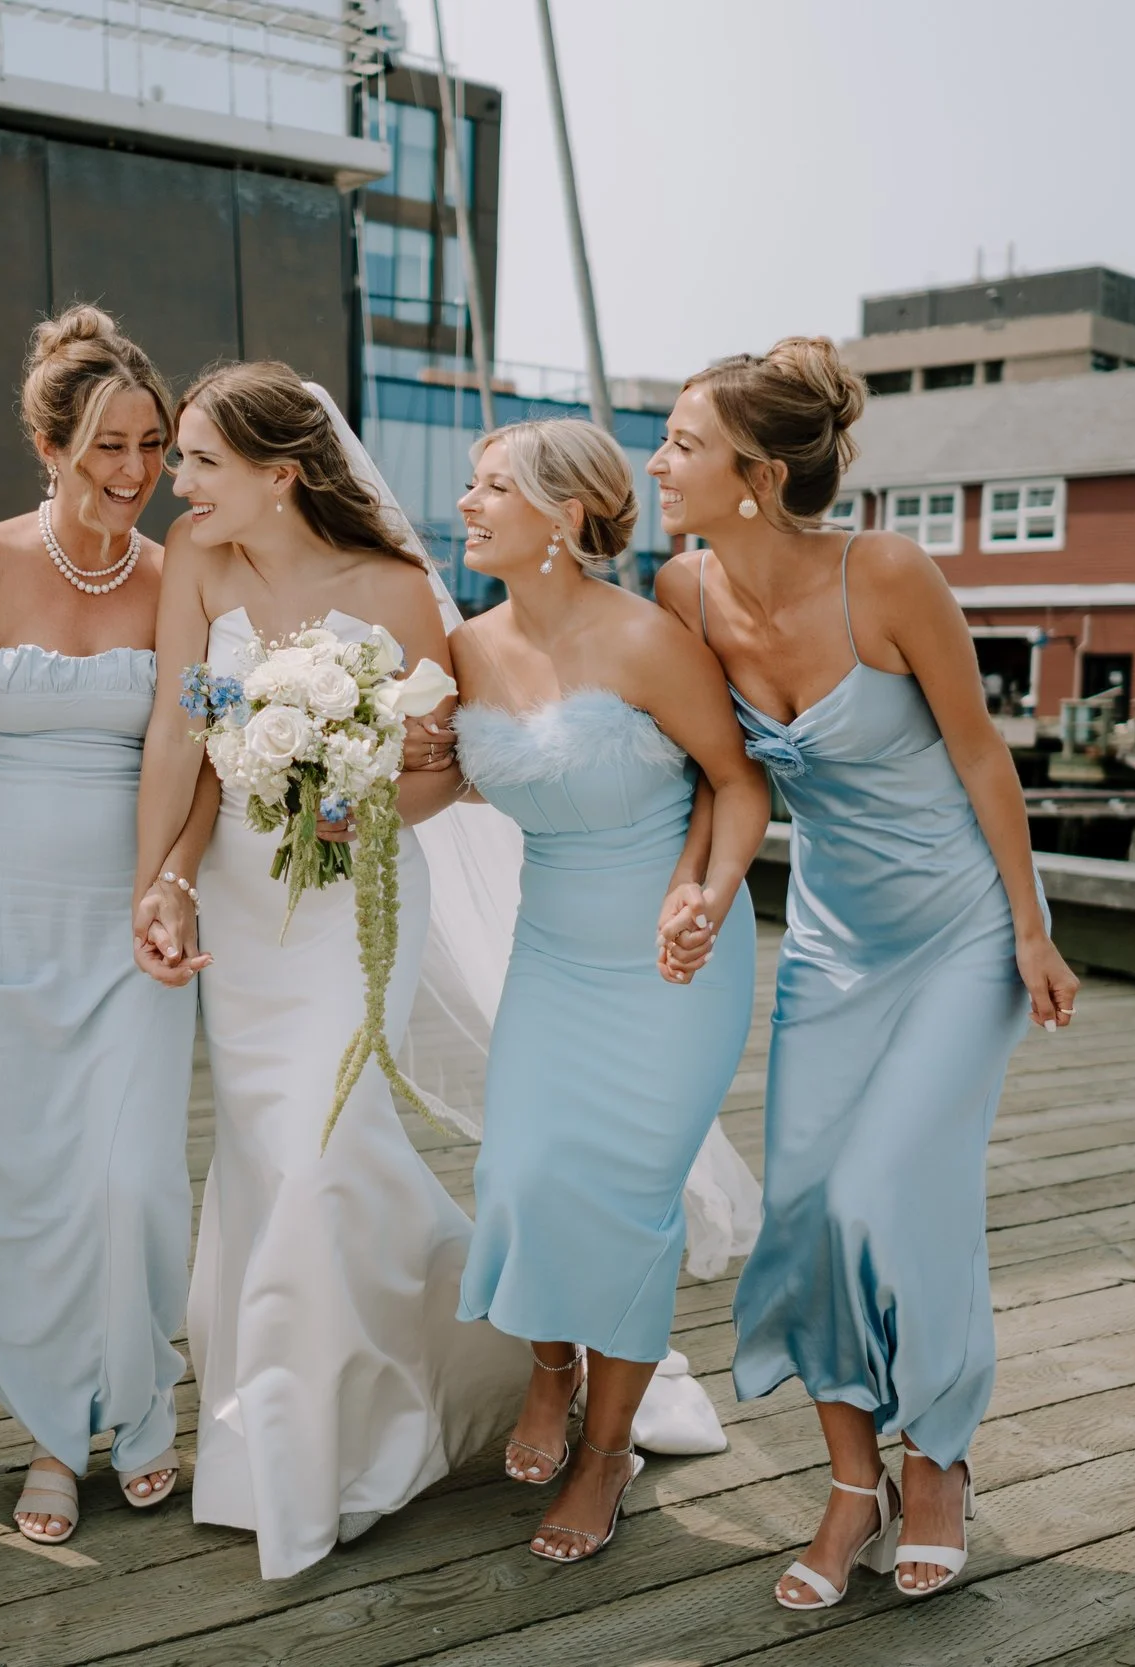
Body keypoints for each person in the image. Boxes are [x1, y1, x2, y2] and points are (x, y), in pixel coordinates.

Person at [650, 338, 1078, 1608]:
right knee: (809, 1210)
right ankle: (853, 1484)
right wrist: (703, 888)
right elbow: (718, 779)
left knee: (893, 1187)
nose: (658, 461)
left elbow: (984, 754)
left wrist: (1032, 930)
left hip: (961, 926)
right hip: (832, 940)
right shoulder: (684, 593)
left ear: (758, 473)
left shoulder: (884, 572)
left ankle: (936, 1455)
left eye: (681, 442)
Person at [131, 361, 527, 1579]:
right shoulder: (197, 563)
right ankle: (349, 1401)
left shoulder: (399, 587)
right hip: (242, 916)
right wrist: (163, 875)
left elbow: (442, 763)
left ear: (279, 473)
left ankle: (310, 1458)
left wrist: (350, 798)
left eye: (198, 460)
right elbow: (179, 732)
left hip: (356, 897)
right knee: (269, 1155)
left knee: (317, 1146)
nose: (174, 479)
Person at [0, 305, 200, 1545]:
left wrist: (172, 875)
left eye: (153, 447)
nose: (134, 474)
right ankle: (49, 1431)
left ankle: (138, 1396)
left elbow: (203, 755)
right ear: (47, 442)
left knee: (126, 1178)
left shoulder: (180, 578)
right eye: (107, 448)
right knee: (17, 1184)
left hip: (127, 920)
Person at [446, 418, 769, 1563]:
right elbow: (423, 787)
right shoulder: (464, 646)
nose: (469, 502)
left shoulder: (643, 641)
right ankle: (549, 1365)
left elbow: (735, 784)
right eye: (472, 484)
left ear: (565, 512)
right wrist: (315, 781)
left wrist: (710, 896)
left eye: (493, 487)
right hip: (552, 951)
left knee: (632, 1199)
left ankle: (604, 1452)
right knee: (522, 1171)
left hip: (669, 956)